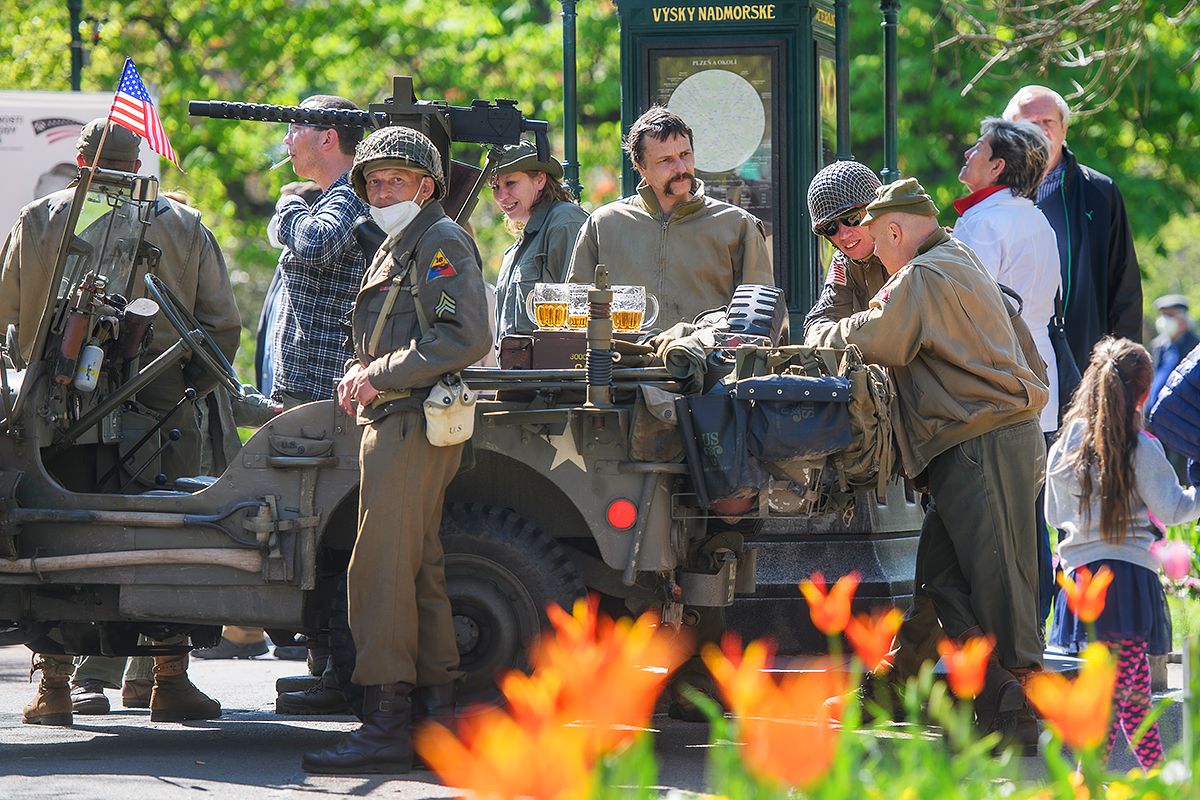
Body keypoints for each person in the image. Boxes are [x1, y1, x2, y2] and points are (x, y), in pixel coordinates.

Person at [0, 119, 236, 726]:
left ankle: (54, 686)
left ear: (80, 162)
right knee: (165, 540)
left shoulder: (37, 219)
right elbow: (220, 327)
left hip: (53, 418)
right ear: (138, 166)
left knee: (53, 540)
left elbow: (6, 319)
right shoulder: (184, 225)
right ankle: (168, 681)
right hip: (160, 419)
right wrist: (183, 393)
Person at [809, 178, 1048, 748]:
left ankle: (1017, 707)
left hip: (979, 440)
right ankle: (994, 693)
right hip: (976, 440)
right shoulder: (955, 256)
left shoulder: (921, 273)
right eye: (832, 231)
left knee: (999, 583)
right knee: (941, 580)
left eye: (861, 225)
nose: (851, 238)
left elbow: (880, 338)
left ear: (892, 229)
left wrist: (825, 332)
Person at [302, 126, 491, 774]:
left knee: (379, 573)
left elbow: (463, 335)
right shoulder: (403, 242)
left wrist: (377, 374)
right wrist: (364, 372)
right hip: (399, 420)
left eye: (397, 181)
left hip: (410, 421)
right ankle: (434, 718)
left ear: (427, 186)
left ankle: (385, 724)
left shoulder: (437, 240)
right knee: (417, 571)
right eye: (375, 182)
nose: (383, 192)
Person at [1046, 337, 1187, 771]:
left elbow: (1054, 513)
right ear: (1143, 394)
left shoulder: (1069, 444)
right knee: (1120, 695)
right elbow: (1172, 509)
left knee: (1125, 693)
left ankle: (1144, 779)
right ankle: (1098, 781)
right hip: (1128, 583)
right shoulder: (1141, 447)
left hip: (1085, 581)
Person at [952, 116, 1061, 622]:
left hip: (996, 383)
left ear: (997, 167)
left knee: (997, 520)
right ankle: (1033, 622)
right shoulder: (1036, 219)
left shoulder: (983, 223)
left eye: (978, 147)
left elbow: (967, 310)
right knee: (1030, 516)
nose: (967, 152)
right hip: (1038, 377)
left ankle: (1012, 633)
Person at [568, 107, 775, 327]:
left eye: (685, 155)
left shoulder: (737, 225)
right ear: (639, 166)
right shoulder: (603, 224)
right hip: (623, 350)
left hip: (703, 349)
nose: (680, 168)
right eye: (666, 160)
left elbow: (758, 323)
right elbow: (576, 309)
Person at [1004, 85, 1142, 371]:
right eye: (1030, 123)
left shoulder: (1100, 193)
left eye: (1048, 122)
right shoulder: (992, 195)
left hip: (1084, 363)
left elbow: (1124, 288)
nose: (1040, 130)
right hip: (1009, 363)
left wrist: (1126, 373)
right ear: (1010, 131)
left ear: (1064, 128)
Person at [271, 95, 369, 407]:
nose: (286, 140)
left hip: (322, 396)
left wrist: (289, 204)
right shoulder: (335, 196)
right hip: (311, 392)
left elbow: (316, 243)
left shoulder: (351, 193)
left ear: (328, 139)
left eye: (295, 128)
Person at [490, 140, 588, 336]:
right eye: (495, 186)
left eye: (510, 183)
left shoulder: (565, 223)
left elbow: (579, 313)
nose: (501, 196)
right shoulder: (523, 241)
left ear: (540, 180)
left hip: (552, 356)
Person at [801, 160, 888, 343]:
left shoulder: (911, 249)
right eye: (830, 228)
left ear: (876, 210)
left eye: (851, 218)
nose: (844, 235)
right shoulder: (843, 261)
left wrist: (845, 333)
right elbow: (819, 320)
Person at [1149, 295, 1199, 409]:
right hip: (1153, 412)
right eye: (1162, 315)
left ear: (1183, 319)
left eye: (1169, 316)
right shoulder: (1157, 346)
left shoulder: (1196, 348)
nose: (1163, 320)